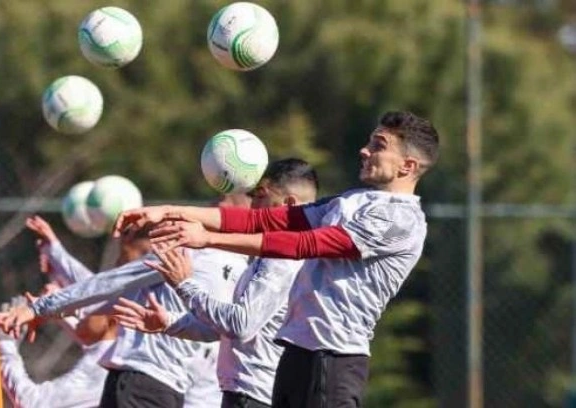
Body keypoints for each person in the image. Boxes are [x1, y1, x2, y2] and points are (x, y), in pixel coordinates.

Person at [112, 111, 440, 407]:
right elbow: (265, 221)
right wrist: (169, 211)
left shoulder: (400, 220)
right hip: (297, 354)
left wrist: (208, 238)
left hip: (334, 360)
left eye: (379, 145)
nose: (365, 150)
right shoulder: (352, 201)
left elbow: (304, 244)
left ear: (407, 166)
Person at [0, 200, 251, 408]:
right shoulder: (244, 275)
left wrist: (40, 309)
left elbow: (107, 285)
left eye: (218, 209)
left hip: (140, 384)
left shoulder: (188, 254)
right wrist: (56, 267)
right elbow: (107, 291)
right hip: (169, 393)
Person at [113, 158, 319, 408]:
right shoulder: (273, 256)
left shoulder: (283, 260)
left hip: (255, 398)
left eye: (260, 196)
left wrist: (185, 284)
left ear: (288, 205)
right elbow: (221, 330)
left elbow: (239, 324)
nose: (253, 206)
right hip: (245, 395)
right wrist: (168, 322)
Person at [0, 215, 151, 408]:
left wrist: (5, 345)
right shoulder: (126, 348)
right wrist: (55, 253)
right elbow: (96, 288)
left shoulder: (104, 368)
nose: (81, 312)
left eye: (89, 310)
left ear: (114, 319)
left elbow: (33, 403)